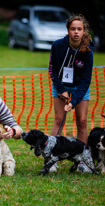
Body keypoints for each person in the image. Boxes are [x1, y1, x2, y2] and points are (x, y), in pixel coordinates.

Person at [48, 14, 94, 173]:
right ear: (68, 30)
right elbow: (52, 70)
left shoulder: (88, 51)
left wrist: (73, 102)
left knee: (82, 121)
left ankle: (82, 160)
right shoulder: (57, 45)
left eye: (79, 29)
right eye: (73, 29)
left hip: (80, 88)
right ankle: (51, 158)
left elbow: (86, 80)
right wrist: (62, 90)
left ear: (83, 31)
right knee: (59, 119)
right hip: (60, 85)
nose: (76, 32)